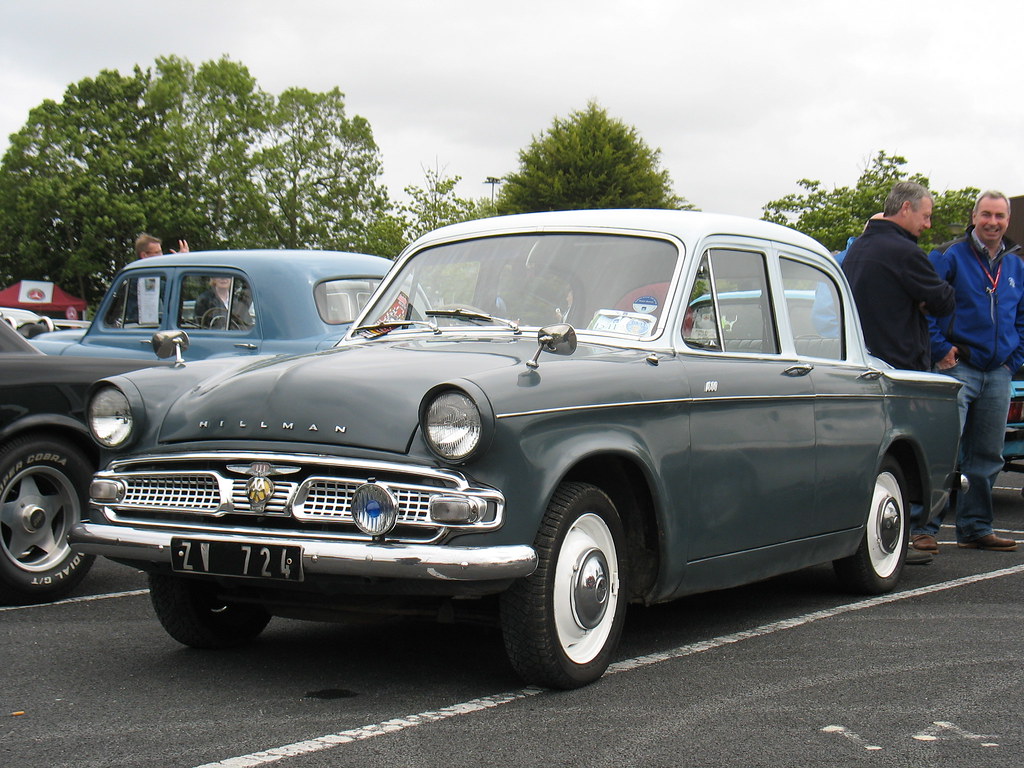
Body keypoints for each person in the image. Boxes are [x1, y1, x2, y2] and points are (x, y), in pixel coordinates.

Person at [842, 182, 956, 565]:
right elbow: (941, 301)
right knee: (903, 458)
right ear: (905, 209)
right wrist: (926, 299)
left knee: (870, 461)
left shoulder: (858, 249)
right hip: (900, 367)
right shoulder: (905, 252)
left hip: (861, 363)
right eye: (925, 216)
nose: (927, 225)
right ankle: (896, 540)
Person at [912, 191, 1023, 554]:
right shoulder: (947, 256)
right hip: (957, 368)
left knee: (988, 457)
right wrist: (941, 350)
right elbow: (922, 307)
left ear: (1007, 220)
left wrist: (1013, 359)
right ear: (974, 216)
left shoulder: (1016, 264)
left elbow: (1021, 317)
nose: (993, 222)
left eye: (1000, 216)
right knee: (943, 450)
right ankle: (923, 528)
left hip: (998, 372)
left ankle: (976, 527)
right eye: (986, 215)